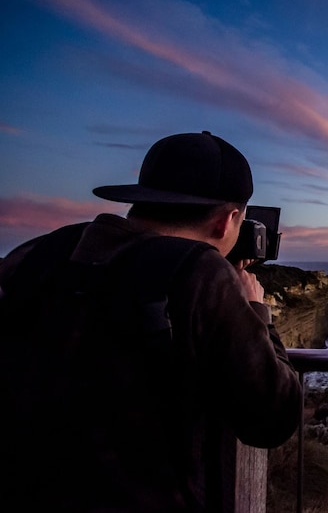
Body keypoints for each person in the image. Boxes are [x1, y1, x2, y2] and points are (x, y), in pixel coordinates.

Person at [0, 131, 303, 512]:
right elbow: (272, 416)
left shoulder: (35, 254)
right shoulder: (200, 273)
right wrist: (256, 309)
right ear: (229, 221)